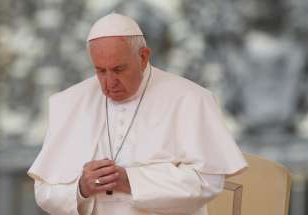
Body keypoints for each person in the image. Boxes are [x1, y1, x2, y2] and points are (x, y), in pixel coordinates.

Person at [28, 13, 247, 215]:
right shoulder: (69, 103)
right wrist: (80, 189)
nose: (109, 82)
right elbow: (44, 192)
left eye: (118, 69)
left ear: (143, 57)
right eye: (100, 71)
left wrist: (130, 181)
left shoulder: (190, 98)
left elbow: (207, 182)